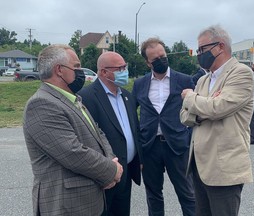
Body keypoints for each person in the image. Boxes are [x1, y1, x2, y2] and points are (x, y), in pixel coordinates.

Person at [23, 44, 123, 216]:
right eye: (76, 66)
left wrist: (111, 160)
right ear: (59, 70)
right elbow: (73, 152)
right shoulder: (41, 104)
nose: (81, 71)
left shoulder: (72, 99)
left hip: (88, 201)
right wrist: (111, 170)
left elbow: (98, 133)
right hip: (67, 205)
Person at [180, 25, 254, 216]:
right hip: (200, 166)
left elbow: (217, 108)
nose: (198, 54)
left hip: (224, 169)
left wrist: (190, 97)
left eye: (202, 49)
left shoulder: (241, 73)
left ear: (220, 46)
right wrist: (204, 107)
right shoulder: (203, 80)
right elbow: (184, 117)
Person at [132, 38, 196, 216]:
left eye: (163, 55)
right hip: (150, 147)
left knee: (187, 194)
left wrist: (188, 136)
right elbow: (131, 115)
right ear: (147, 62)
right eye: (155, 59)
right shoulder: (139, 84)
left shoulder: (185, 80)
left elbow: (196, 109)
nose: (161, 60)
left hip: (177, 146)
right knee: (153, 195)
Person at [78, 51, 143, 216]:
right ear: (103, 72)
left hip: (126, 173)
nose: (124, 71)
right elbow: (85, 138)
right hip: (103, 176)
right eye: (119, 68)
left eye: (125, 66)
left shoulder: (127, 96)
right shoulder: (86, 98)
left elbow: (134, 130)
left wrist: (138, 159)